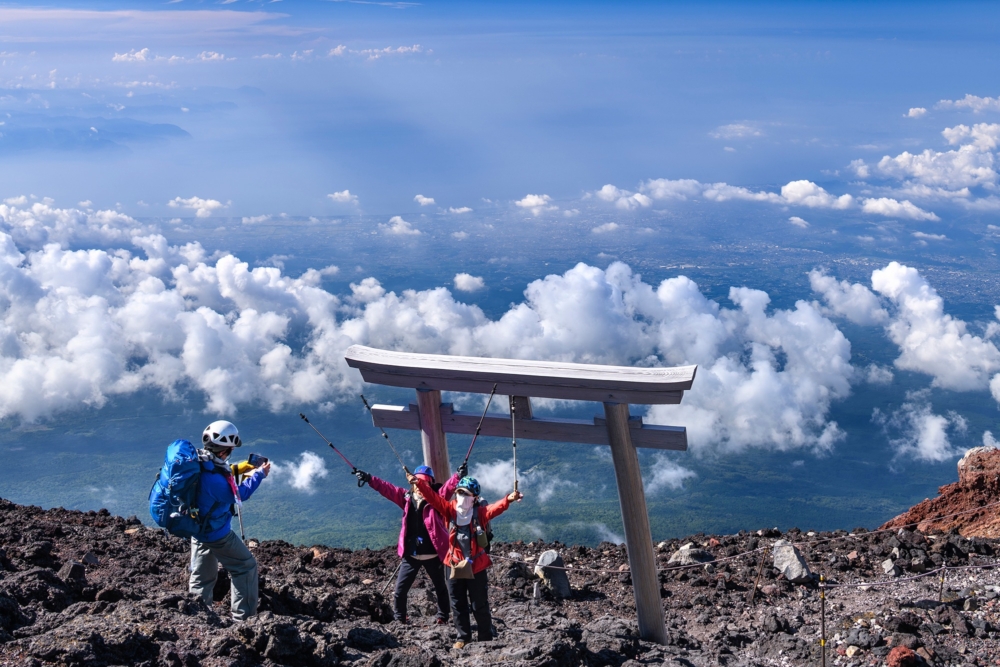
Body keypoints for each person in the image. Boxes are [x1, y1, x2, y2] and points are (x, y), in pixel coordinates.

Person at [410, 472, 523, 650]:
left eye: (466, 494)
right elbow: (432, 498)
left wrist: (508, 498)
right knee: (457, 603)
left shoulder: (480, 513)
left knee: (479, 604)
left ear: (475, 497)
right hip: (453, 565)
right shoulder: (449, 510)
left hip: (476, 566)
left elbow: (495, 508)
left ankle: (485, 636)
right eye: (459, 492)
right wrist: (420, 484)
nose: (461, 496)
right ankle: (463, 637)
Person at [354, 463, 465, 624]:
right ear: (412, 482)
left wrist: (458, 476)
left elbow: (448, 488)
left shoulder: (437, 498)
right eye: (418, 481)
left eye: (425, 482)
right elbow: (387, 488)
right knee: (400, 590)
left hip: (434, 554)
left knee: (441, 588)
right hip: (411, 554)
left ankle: (443, 617)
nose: (420, 485)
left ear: (430, 484)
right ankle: (400, 618)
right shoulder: (405, 498)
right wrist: (369, 478)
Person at [188, 420, 270, 621]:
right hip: (217, 533)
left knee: (201, 578)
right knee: (245, 567)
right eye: (231, 449)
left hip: (198, 528)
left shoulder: (200, 461)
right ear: (225, 449)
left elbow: (221, 471)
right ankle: (243, 620)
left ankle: (199, 618)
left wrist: (242, 467)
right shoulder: (214, 481)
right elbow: (238, 494)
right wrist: (259, 474)